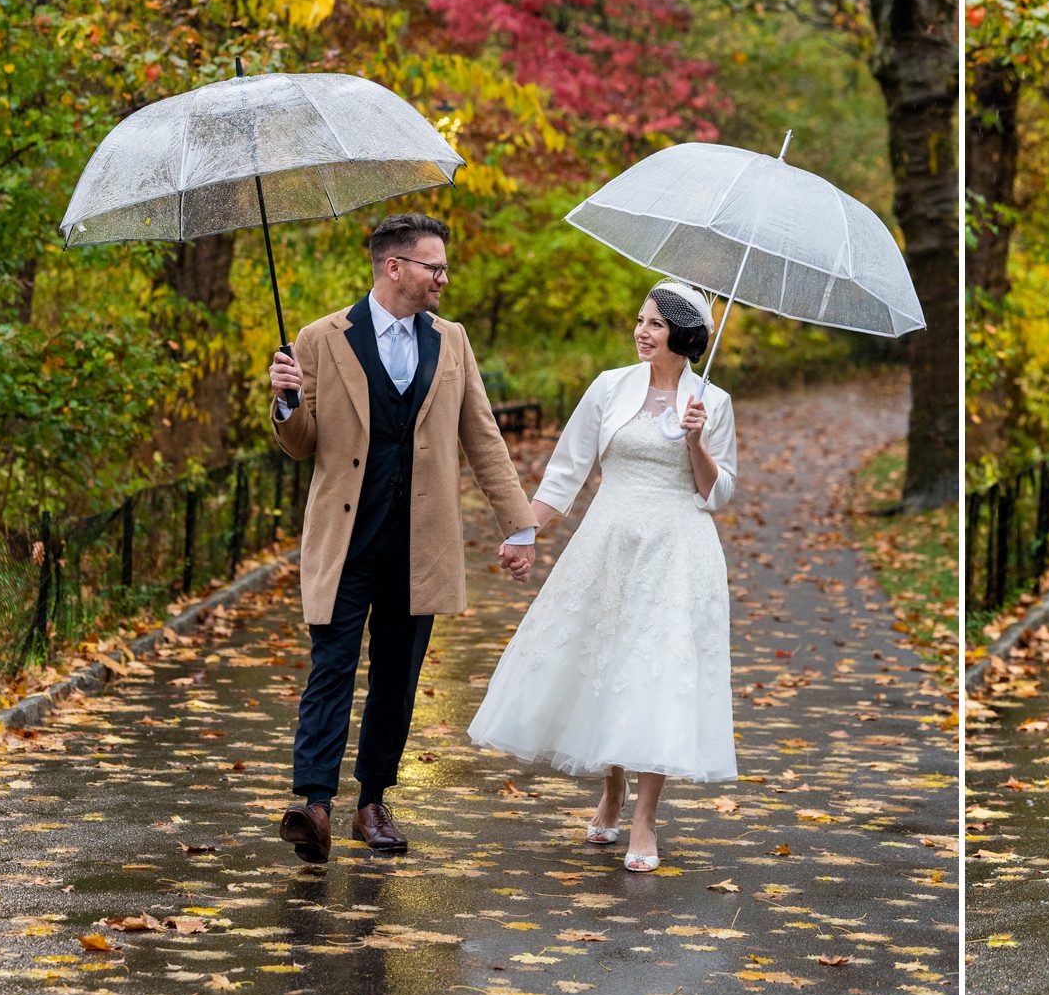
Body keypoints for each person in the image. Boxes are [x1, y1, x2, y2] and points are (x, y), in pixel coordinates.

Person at [267, 213, 537, 862]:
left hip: (420, 543)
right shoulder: (319, 338)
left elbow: (482, 434)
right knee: (331, 666)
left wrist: (519, 523)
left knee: (397, 676)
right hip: (345, 538)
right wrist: (285, 401)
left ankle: (373, 802)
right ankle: (315, 803)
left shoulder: (452, 340)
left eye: (441, 267)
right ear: (394, 267)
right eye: (432, 266)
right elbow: (303, 445)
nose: (442, 277)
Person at [467, 281, 739, 873]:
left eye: (656, 325)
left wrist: (697, 439)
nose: (642, 332)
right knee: (610, 661)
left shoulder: (712, 403)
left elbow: (716, 494)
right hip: (609, 541)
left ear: (685, 336)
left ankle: (645, 816)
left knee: (656, 672)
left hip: (677, 549)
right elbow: (565, 473)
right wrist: (524, 532)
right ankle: (611, 787)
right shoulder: (609, 388)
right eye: (640, 320)